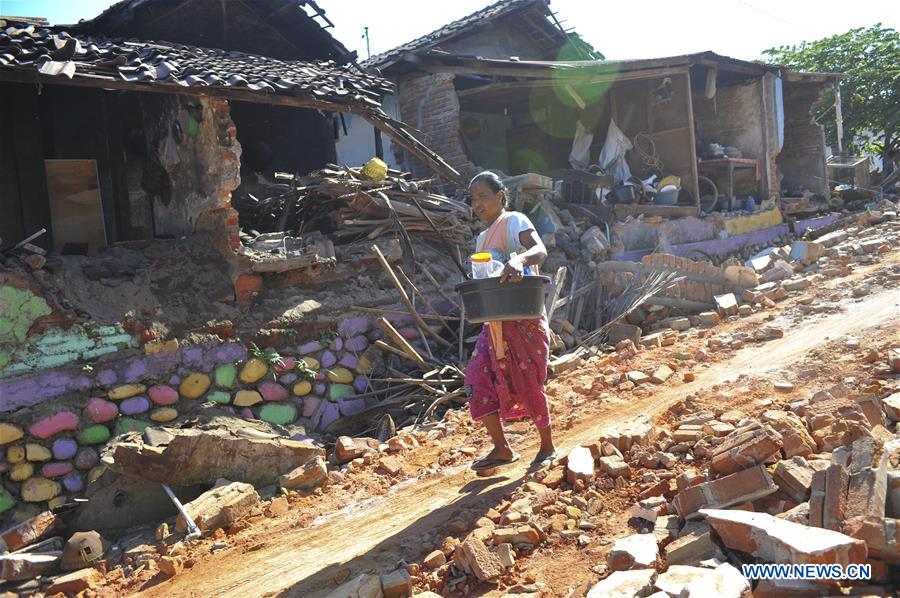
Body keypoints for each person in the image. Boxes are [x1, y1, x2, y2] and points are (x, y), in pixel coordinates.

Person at [464, 171, 557, 471]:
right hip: (494, 322)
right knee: (478, 379)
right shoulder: (481, 238)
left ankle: (547, 446)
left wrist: (518, 260)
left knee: (528, 379)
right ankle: (501, 449)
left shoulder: (514, 220)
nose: (477, 203)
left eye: (483, 196)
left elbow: (539, 250)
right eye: (473, 198)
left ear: (500, 196)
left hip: (523, 317)